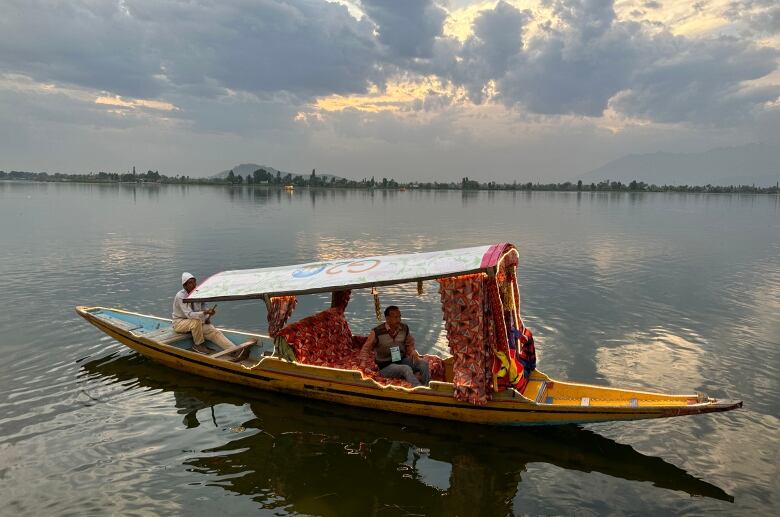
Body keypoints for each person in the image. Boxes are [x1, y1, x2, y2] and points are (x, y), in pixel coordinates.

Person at [172, 272, 249, 361]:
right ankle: (198, 345)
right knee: (195, 322)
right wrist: (204, 313)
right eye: (190, 283)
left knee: (213, 331)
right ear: (184, 286)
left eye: (194, 282)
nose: (193, 285)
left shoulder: (198, 292)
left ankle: (235, 350)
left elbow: (203, 307)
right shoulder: (180, 296)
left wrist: (208, 314)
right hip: (180, 323)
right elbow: (189, 315)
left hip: (195, 324)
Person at [360, 306, 430, 387]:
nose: (399, 320)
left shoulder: (404, 328)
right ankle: (419, 389)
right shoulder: (377, 332)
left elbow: (409, 344)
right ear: (387, 319)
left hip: (401, 360)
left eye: (400, 316)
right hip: (385, 366)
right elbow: (366, 348)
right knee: (406, 369)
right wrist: (363, 362)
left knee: (423, 364)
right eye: (396, 317)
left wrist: (412, 351)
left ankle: (426, 386)